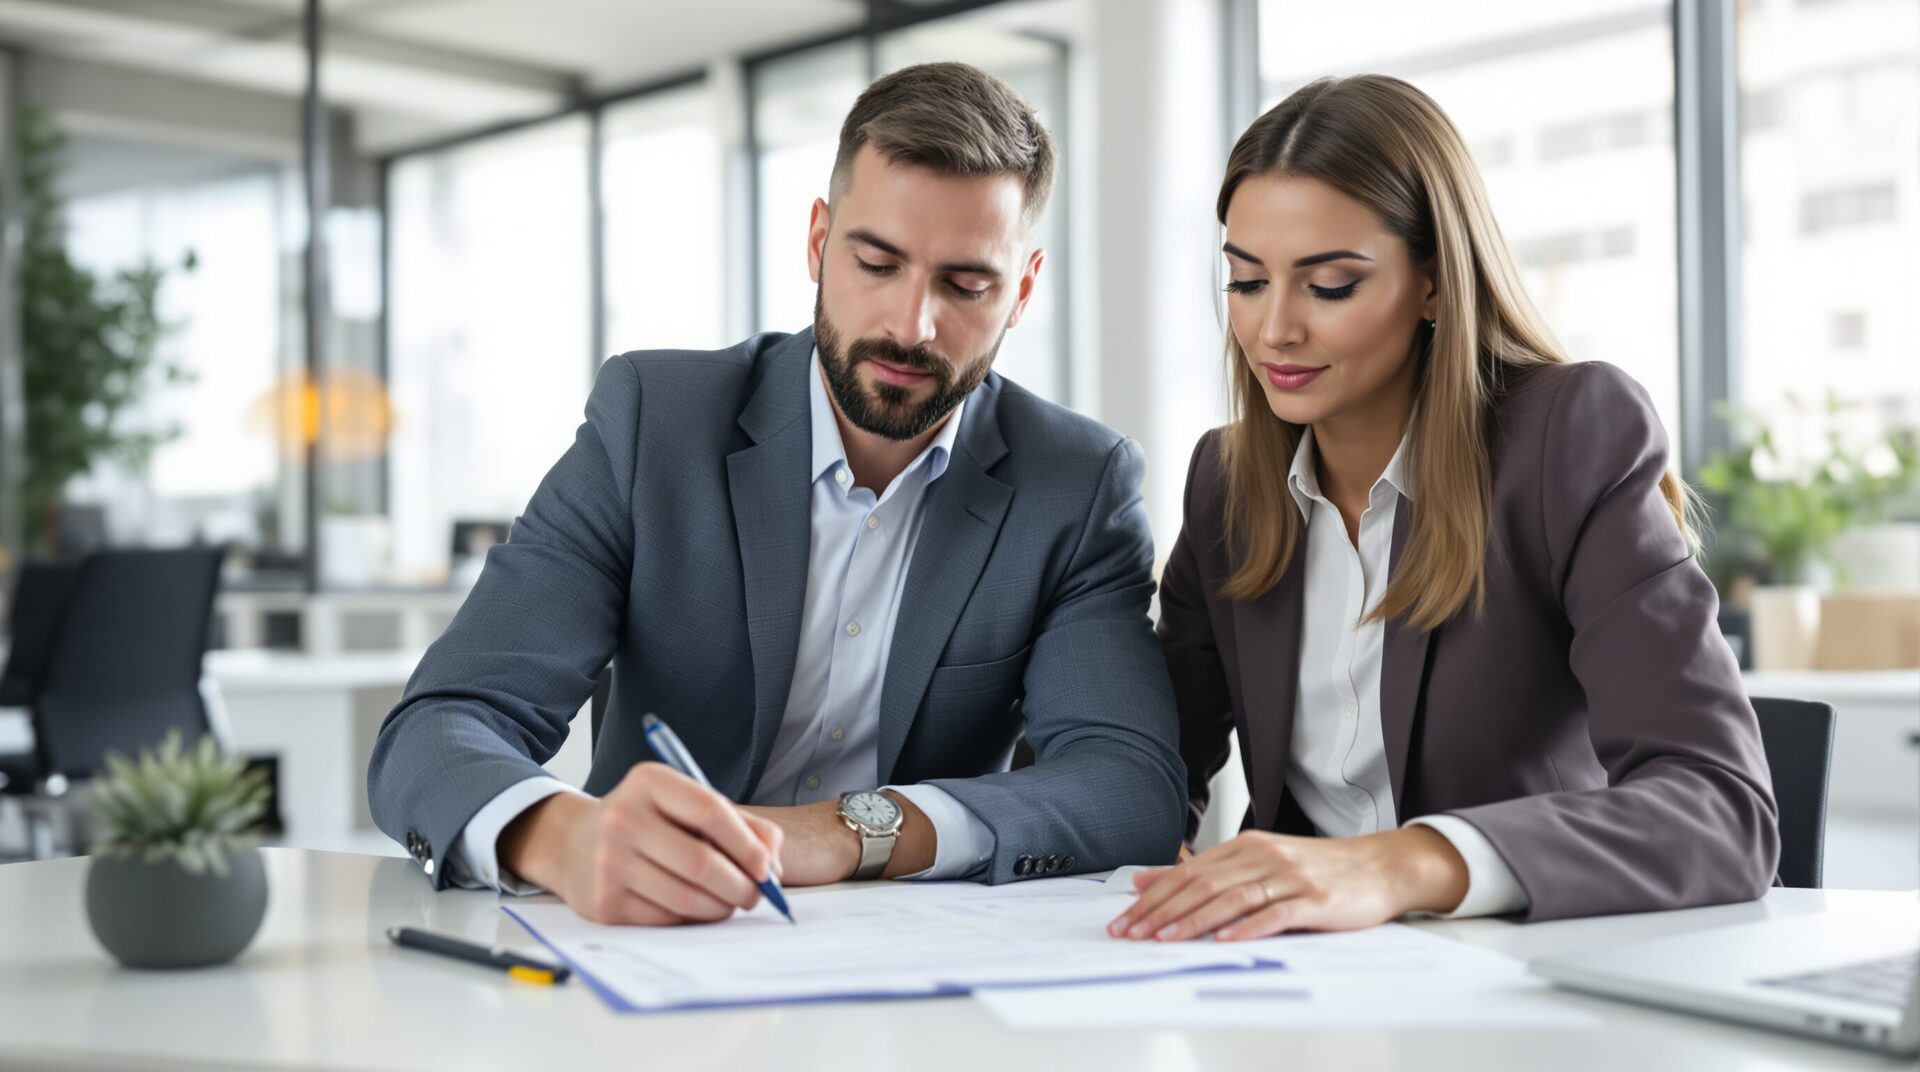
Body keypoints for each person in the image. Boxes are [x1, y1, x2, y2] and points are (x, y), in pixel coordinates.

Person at [368, 62, 1185, 925]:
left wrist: (845, 832)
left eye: (965, 285)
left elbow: (1128, 783)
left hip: (913, 964)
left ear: (1020, 291)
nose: (912, 325)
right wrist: (563, 834)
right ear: (817, 242)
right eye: (876, 261)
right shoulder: (656, 423)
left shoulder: (1077, 484)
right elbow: (441, 726)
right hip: (645, 946)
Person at [1110, 74, 1778, 944]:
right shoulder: (1228, 484)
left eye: (1332, 286)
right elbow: (1144, 772)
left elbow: (1723, 807)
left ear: (1434, 283)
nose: (1274, 329)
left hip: (1523, 978)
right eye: (1245, 281)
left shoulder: (1569, 439)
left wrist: (1398, 864)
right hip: (1295, 980)